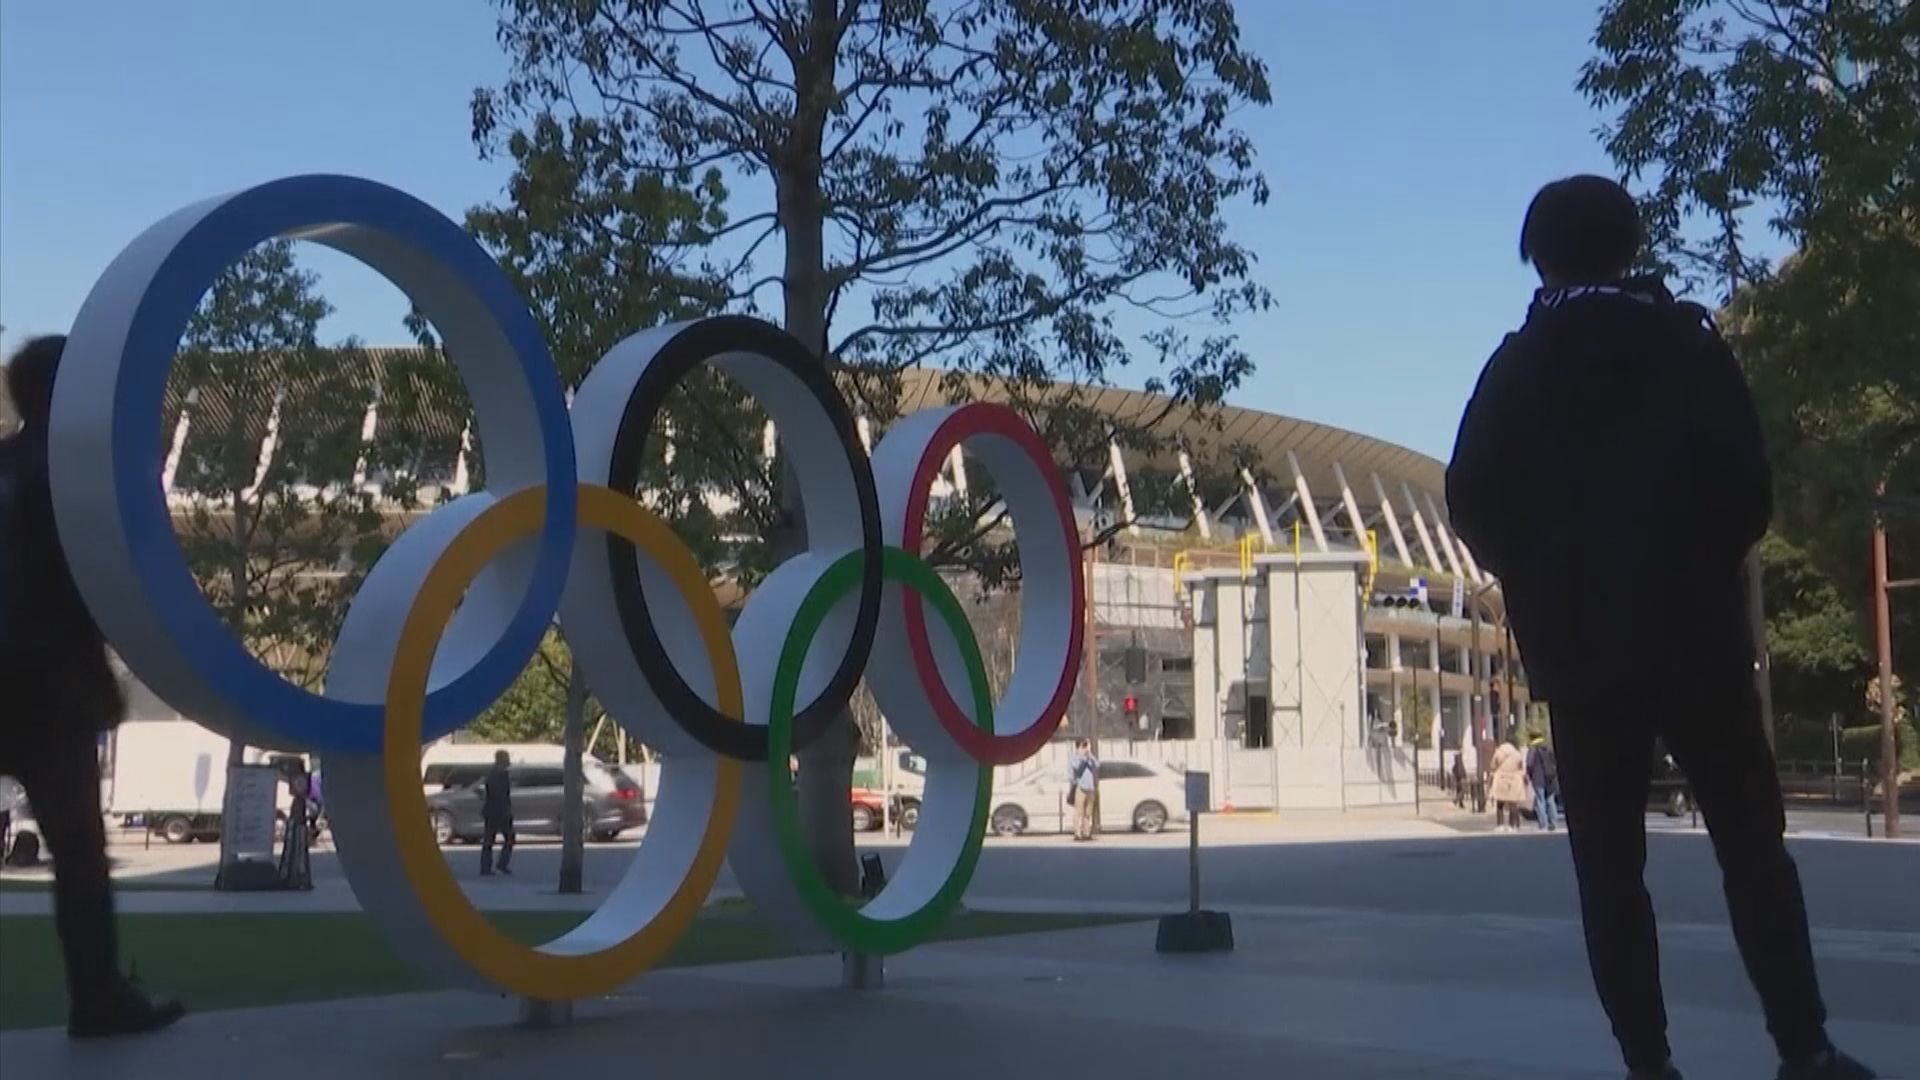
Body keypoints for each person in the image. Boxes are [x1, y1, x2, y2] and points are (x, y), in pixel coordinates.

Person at [1446, 176, 1872, 1080]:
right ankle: (1805, 1046)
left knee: (1610, 873)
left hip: (1582, 653)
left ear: (1541, 257)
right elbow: (1747, 485)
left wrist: (1538, 580)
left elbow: (1470, 495)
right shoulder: (1686, 343)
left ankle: (1649, 1063)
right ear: (1630, 247)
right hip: (1698, 639)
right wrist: (1697, 564)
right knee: (1753, 850)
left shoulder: (1516, 365)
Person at [0, 336, 186, 1038]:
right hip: (51, 691)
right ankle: (97, 998)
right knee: (77, 854)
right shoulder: (79, 473)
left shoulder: (8, 464)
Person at [479, 750, 515, 875]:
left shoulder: (499, 774)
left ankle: (493, 866)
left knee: (495, 840)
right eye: (506, 759)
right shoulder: (495, 775)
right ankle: (490, 867)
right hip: (496, 812)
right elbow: (498, 795)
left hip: (496, 811)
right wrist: (506, 811)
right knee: (492, 840)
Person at [1488, 736, 1527, 832]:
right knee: (1513, 803)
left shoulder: (1499, 752)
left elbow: (1493, 764)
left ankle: (1500, 825)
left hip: (1501, 778)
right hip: (1514, 779)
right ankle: (1512, 825)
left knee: (1500, 803)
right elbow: (1521, 766)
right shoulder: (1517, 754)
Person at [1526, 734, 1560, 831]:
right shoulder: (1549, 748)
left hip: (1538, 779)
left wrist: (1529, 775)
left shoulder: (1532, 750)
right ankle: (1553, 822)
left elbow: (1530, 764)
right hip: (1551, 778)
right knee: (1550, 800)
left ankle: (1543, 824)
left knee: (1540, 801)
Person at [1068, 738, 1098, 841]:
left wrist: (1090, 755)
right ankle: (1077, 833)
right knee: (1078, 812)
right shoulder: (1074, 758)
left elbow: (1097, 765)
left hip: (1090, 788)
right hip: (1081, 787)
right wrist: (1083, 757)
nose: (1085, 748)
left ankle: (1087, 833)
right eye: (1083, 746)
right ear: (1078, 747)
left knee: (1088, 812)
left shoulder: (1089, 758)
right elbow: (1076, 768)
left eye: (1086, 745)